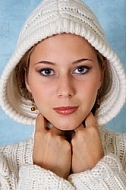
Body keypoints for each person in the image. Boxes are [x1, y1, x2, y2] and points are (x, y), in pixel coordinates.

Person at [0, 0, 126, 189]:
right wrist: (43, 174)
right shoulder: (3, 166)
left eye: (81, 69)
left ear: (102, 74)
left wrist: (96, 174)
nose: (65, 90)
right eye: (47, 72)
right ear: (25, 80)